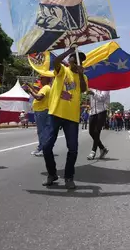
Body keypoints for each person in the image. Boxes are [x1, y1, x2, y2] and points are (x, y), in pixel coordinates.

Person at [41, 47, 88, 189]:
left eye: (80, 61)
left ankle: (69, 177)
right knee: (46, 146)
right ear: (70, 61)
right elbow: (56, 61)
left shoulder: (83, 76)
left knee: (73, 148)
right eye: (74, 60)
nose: (76, 63)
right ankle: (52, 174)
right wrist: (69, 51)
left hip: (72, 117)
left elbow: (84, 89)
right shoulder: (62, 70)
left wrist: (80, 74)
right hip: (55, 113)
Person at [24, 77, 52, 157]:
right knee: (42, 131)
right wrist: (30, 86)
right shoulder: (46, 88)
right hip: (42, 111)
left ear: (47, 79)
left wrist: (29, 90)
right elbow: (38, 92)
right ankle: (41, 148)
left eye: (42, 78)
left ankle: (43, 149)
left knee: (42, 131)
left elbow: (38, 97)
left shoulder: (46, 87)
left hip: (42, 111)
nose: (40, 80)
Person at [86, 89, 110, 160]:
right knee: (91, 132)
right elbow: (90, 99)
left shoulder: (105, 87)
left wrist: (93, 93)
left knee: (97, 132)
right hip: (92, 112)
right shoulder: (92, 87)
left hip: (102, 111)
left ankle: (93, 151)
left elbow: (102, 97)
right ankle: (103, 148)